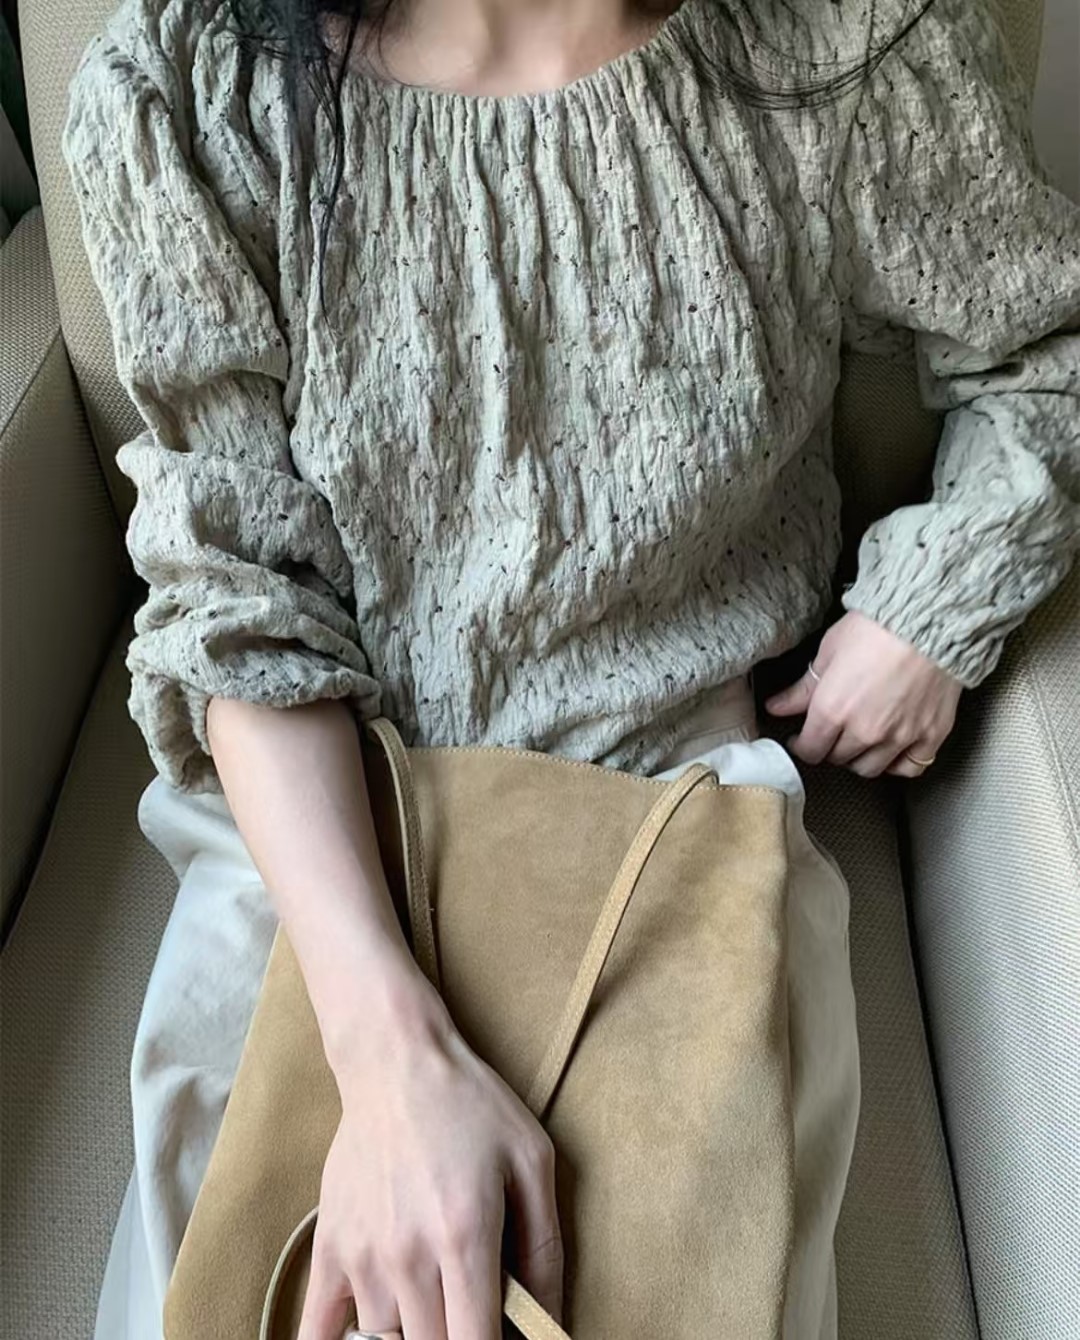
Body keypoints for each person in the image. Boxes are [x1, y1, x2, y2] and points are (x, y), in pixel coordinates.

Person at [60, 0, 1079, 1336]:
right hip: (318, 833)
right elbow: (238, 602)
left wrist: (931, 605)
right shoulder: (198, 85)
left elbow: (1044, 346)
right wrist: (394, 1062)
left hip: (680, 829)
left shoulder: (841, 43)